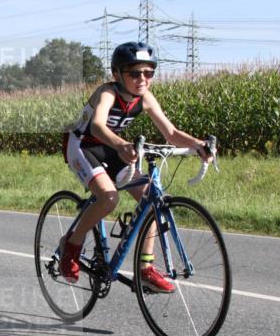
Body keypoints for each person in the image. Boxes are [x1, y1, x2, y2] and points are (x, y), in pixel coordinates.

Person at [61, 42, 213, 293]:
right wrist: (122, 144)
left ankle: (145, 268)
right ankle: (72, 244)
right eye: (134, 73)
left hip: (111, 147)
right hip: (82, 145)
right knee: (108, 198)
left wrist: (198, 145)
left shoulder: (146, 98)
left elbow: (171, 133)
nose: (142, 78)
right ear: (117, 74)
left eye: (148, 73)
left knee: (150, 199)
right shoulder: (107, 93)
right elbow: (98, 126)